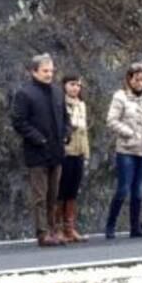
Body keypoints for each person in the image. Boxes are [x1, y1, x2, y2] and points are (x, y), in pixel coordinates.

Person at [10, 53, 70, 247]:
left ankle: (53, 230)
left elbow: (65, 117)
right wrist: (39, 139)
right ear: (34, 71)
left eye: (51, 71)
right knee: (40, 196)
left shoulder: (57, 92)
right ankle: (43, 233)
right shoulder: (25, 93)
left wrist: (66, 132)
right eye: (45, 71)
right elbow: (18, 121)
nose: (49, 74)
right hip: (37, 152)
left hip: (57, 151)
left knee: (54, 194)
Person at [104, 62, 142, 239]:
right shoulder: (120, 97)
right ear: (129, 80)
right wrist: (129, 133)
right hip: (126, 148)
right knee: (123, 188)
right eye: (136, 79)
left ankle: (135, 227)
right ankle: (110, 225)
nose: (139, 82)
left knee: (138, 190)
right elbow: (111, 120)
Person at [58, 73, 89, 242]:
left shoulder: (81, 105)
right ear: (64, 86)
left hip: (79, 151)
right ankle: (58, 229)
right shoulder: (60, 104)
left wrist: (86, 152)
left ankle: (70, 228)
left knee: (73, 191)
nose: (75, 88)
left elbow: (84, 132)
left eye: (78, 85)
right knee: (61, 191)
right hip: (65, 152)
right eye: (71, 84)